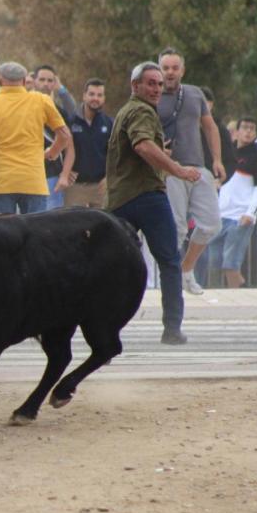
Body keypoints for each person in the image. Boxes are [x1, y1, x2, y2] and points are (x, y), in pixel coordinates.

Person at [106, 61, 201, 345]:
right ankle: (172, 328)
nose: (157, 88)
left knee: (112, 268)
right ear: (135, 86)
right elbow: (143, 145)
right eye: (151, 83)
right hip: (147, 196)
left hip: (119, 199)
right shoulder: (142, 110)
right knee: (170, 262)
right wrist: (178, 169)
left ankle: (106, 331)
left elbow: (140, 147)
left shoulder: (126, 111)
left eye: (160, 84)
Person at [156, 47, 224, 295]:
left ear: (182, 70)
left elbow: (210, 127)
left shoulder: (195, 94)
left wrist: (217, 159)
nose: (170, 72)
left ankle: (186, 269)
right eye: (166, 68)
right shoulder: (152, 95)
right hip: (172, 170)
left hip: (198, 167)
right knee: (177, 228)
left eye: (175, 67)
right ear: (159, 69)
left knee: (211, 224)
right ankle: (171, 281)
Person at [0, 61, 70, 215]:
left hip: (1, 182)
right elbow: (64, 135)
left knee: (2, 235)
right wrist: (53, 152)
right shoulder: (41, 100)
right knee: (35, 234)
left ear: (0, 81)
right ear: (24, 81)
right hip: (33, 181)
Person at [207, 117, 257, 288]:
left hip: (239, 217)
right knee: (214, 263)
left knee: (231, 264)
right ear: (237, 131)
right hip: (220, 215)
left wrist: (250, 213)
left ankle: (240, 298)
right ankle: (216, 298)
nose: (248, 131)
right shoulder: (227, 155)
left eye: (252, 129)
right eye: (245, 127)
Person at [32, 64, 76, 209]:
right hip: (28, 174)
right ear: (34, 81)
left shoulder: (60, 112)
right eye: (42, 79)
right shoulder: (24, 107)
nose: (46, 84)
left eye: (50, 80)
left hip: (52, 176)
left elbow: (70, 147)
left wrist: (64, 175)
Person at [66, 78, 113, 208]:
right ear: (84, 96)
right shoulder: (71, 121)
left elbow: (115, 153)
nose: (95, 98)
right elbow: (59, 148)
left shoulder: (109, 123)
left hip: (100, 187)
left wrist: (109, 177)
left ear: (104, 98)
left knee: (101, 226)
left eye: (99, 95)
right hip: (76, 186)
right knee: (74, 225)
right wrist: (65, 171)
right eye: (91, 94)